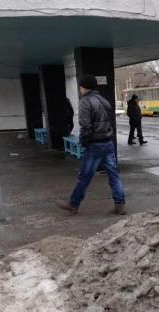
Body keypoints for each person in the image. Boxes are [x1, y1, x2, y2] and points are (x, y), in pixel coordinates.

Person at [56, 74, 126, 215]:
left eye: (81, 87)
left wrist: (83, 141)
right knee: (113, 175)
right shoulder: (103, 100)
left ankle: (73, 204)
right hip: (107, 142)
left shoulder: (85, 101)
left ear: (84, 87)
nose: (80, 89)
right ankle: (119, 205)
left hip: (95, 145)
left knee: (84, 176)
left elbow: (85, 125)